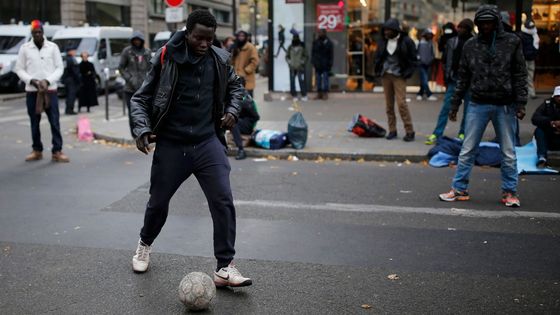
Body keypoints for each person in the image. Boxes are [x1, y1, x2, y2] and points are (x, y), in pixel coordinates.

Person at [129, 9, 251, 287]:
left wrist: (233, 109)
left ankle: (224, 267)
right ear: (187, 33)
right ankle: (144, 243)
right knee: (158, 203)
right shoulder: (165, 58)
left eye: (210, 39)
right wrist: (142, 129)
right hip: (172, 144)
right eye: (199, 38)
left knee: (222, 200)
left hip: (208, 142)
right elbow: (140, 99)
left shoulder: (219, 59)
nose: (204, 44)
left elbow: (236, 88)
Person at [439, 5, 528, 207]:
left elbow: (519, 74)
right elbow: (463, 77)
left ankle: (510, 192)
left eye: (490, 22)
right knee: (467, 149)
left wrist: (521, 103)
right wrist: (454, 105)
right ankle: (459, 188)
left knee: (508, 151)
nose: (486, 26)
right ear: (478, 24)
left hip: (504, 104)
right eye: (483, 23)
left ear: (496, 23)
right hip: (478, 102)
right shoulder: (470, 45)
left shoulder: (512, 42)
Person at [14, 20, 69, 163]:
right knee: (34, 122)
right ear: (31, 34)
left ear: (43, 33)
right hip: (32, 91)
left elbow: (59, 68)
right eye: (34, 32)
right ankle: (37, 150)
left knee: (54, 121)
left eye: (39, 32)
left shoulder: (52, 47)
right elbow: (19, 68)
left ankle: (57, 150)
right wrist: (31, 80)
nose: (37, 34)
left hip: (50, 91)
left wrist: (48, 80)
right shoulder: (25, 48)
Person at [425, 19, 474, 145]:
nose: (460, 30)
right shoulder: (452, 41)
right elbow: (445, 59)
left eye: (463, 28)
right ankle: (437, 133)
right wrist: (448, 76)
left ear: (469, 30)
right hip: (454, 79)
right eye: (459, 27)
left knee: (468, 109)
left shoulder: (474, 43)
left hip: (469, 82)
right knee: (446, 108)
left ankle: (463, 133)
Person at [374, 18, 418, 142]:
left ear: (395, 30)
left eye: (388, 30)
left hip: (399, 76)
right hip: (385, 75)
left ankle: (410, 131)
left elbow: (413, 60)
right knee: (389, 106)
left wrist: (407, 73)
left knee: (401, 104)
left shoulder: (406, 41)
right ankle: (392, 130)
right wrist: (378, 70)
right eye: (385, 30)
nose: (386, 32)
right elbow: (377, 56)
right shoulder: (383, 41)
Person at [119, 31, 152, 137]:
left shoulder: (147, 52)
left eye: (139, 40)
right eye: (135, 40)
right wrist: (130, 78)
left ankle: (145, 132)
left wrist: (149, 80)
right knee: (132, 113)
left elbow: (152, 68)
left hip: (144, 88)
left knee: (145, 111)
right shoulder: (127, 52)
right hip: (130, 89)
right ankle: (135, 134)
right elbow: (121, 68)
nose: (137, 42)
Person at [231, 77, 260, 160]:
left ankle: (241, 150)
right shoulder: (239, 94)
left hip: (248, 125)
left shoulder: (245, 98)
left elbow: (256, 117)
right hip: (243, 121)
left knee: (233, 123)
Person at [531, 86, 560, 168]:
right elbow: (535, 118)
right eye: (558, 96)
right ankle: (542, 157)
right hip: (550, 136)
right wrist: (551, 122)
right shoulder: (547, 104)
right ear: (554, 97)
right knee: (539, 130)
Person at [232, 30, 259, 97]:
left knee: (248, 102)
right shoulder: (236, 47)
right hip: (236, 79)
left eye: (243, 36)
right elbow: (232, 61)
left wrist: (246, 71)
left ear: (246, 37)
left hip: (247, 80)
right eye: (239, 36)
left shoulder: (251, 47)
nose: (241, 37)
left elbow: (255, 61)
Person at [519, 19, 539, 99]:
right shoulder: (524, 36)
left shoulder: (534, 35)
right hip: (524, 59)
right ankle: (528, 93)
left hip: (530, 58)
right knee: (525, 77)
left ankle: (530, 93)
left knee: (529, 76)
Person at [311, 28, 333, 100]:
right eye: (319, 33)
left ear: (324, 33)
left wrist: (330, 64)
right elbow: (313, 53)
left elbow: (331, 54)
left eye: (321, 33)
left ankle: (325, 93)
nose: (319, 34)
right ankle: (319, 93)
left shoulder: (328, 42)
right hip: (318, 64)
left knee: (325, 79)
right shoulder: (316, 42)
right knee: (318, 79)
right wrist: (313, 62)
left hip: (325, 64)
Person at [416, 28, 437, 101]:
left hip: (428, 64)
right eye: (429, 35)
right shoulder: (421, 43)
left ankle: (420, 93)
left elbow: (432, 53)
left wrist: (431, 60)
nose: (430, 36)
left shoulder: (430, 43)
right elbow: (418, 54)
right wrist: (420, 60)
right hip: (422, 64)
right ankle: (429, 94)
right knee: (424, 79)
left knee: (423, 80)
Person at [286, 34, 308, 101]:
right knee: (292, 81)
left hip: (300, 67)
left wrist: (302, 62)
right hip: (292, 67)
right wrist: (289, 62)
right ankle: (294, 95)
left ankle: (304, 95)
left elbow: (306, 56)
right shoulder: (290, 47)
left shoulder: (302, 47)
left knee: (301, 81)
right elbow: (287, 56)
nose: (294, 39)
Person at [62, 47, 80, 115]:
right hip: (71, 79)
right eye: (73, 51)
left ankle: (68, 109)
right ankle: (70, 109)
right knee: (71, 95)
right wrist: (78, 79)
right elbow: (74, 70)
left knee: (68, 95)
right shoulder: (71, 59)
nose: (75, 52)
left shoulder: (65, 59)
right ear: (70, 51)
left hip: (66, 79)